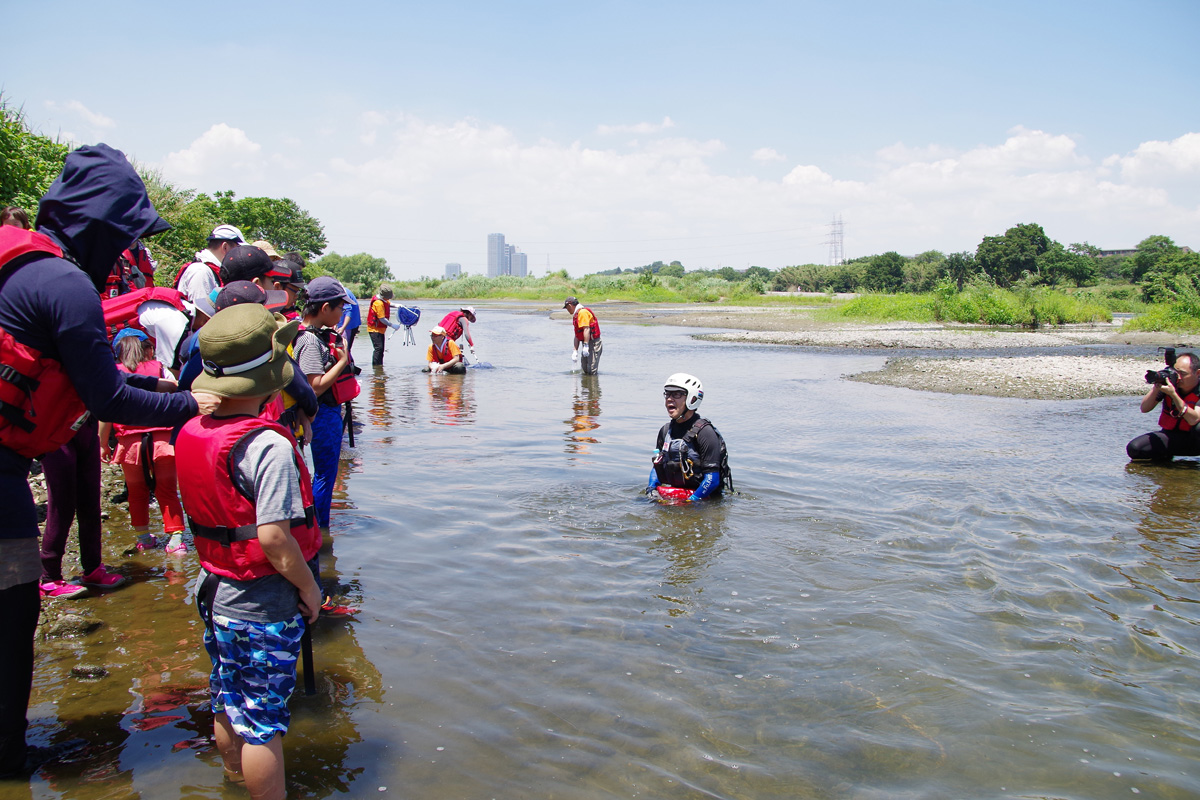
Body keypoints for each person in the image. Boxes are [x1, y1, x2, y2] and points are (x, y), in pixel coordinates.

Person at [0, 143, 217, 779]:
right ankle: (10, 760)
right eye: (125, 235)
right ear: (97, 225)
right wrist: (193, 403)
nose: (126, 251)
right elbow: (109, 396)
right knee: (13, 611)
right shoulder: (64, 283)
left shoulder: (23, 267)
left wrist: (173, 395)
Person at [175, 302, 321, 800]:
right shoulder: (270, 446)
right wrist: (310, 588)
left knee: (225, 696)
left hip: (213, 587)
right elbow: (275, 539)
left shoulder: (194, 431)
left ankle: (234, 782)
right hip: (262, 597)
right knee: (263, 720)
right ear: (271, 379)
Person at [99, 330, 187, 555]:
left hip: (130, 444)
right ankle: (176, 541)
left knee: (136, 492)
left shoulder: (113, 374)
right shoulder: (159, 368)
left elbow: (105, 413)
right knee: (166, 490)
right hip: (162, 441)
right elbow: (176, 394)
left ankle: (143, 539)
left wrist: (102, 443)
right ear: (146, 349)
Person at [293, 277, 353, 531]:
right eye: (340, 307)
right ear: (326, 307)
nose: (342, 313)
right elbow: (313, 386)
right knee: (325, 476)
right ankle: (320, 530)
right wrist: (341, 362)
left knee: (324, 475)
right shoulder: (309, 340)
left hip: (323, 414)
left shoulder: (312, 334)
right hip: (322, 414)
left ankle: (318, 526)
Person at [647, 373, 732, 502]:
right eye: (667, 394)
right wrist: (651, 489)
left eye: (676, 394)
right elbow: (657, 467)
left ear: (692, 399)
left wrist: (690, 502)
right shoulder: (665, 431)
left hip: (703, 500)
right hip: (676, 497)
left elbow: (712, 480)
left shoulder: (705, 433)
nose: (669, 399)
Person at [1127, 351, 1200, 460]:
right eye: (1176, 373)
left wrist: (1173, 395)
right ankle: (1165, 467)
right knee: (1135, 448)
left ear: (1198, 373)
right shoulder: (1170, 385)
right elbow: (1145, 408)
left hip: (1196, 441)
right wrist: (1157, 387)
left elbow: (1194, 419)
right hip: (1173, 438)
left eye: (1183, 374)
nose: (1178, 378)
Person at [173, 224, 247, 305]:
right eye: (238, 249)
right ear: (225, 247)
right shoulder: (201, 271)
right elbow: (202, 313)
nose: (239, 254)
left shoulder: (210, 269)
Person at [564, 296, 602, 375]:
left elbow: (586, 329)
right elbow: (577, 334)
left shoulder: (582, 313)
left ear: (570, 306)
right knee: (584, 368)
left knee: (591, 370)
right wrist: (575, 351)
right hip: (587, 342)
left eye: (567, 308)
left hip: (594, 343)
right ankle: (586, 386)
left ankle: (593, 386)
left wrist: (586, 346)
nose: (567, 310)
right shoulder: (576, 315)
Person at [366, 285, 401, 366]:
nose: (389, 299)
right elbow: (382, 319)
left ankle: (379, 367)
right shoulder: (378, 303)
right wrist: (392, 325)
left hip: (380, 329)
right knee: (378, 349)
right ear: (383, 296)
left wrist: (396, 305)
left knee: (381, 350)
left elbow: (389, 303)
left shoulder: (383, 300)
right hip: (374, 329)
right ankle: (376, 368)